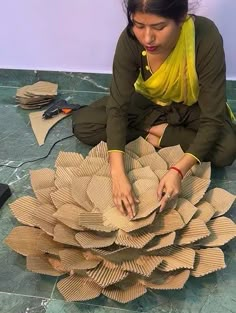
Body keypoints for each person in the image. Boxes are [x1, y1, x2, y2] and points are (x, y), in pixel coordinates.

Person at [72, 0, 236, 218]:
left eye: (159, 27)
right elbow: (118, 107)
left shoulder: (204, 36)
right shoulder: (130, 40)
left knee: (227, 150)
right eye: (139, 25)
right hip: (147, 105)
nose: (147, 38)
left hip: (191, 108)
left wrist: (178, 170)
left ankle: (166, 134)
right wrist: (118, 174)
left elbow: (212, 116)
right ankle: (159, 133)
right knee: (84, 125)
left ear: (181, 18)